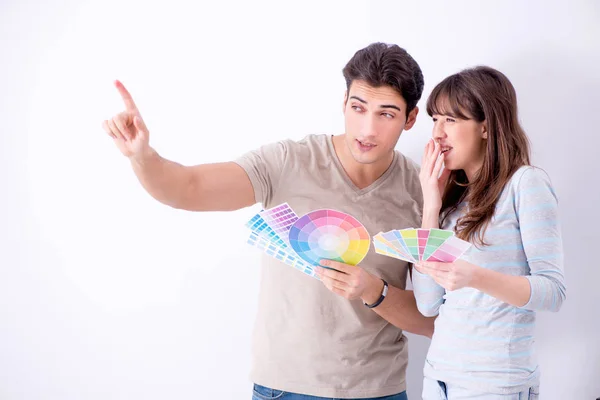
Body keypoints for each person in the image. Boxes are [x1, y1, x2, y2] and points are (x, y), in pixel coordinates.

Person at [102, 42, 435, 400]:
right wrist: (143, 157)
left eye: (386, 114)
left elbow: (430, 320)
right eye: (358, 108)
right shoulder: (288, 162)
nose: (367, 129)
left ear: (410, 119)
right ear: (344, 103)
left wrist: (374, 290)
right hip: (286, 388)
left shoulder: (421, 193)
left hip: (379, 391)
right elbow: (188, 188)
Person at [412, 66, 566, 399]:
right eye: (435, 119)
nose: (438, 133)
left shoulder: (526, 184)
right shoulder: (451, 202)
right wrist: (431, 206)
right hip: (438, 379)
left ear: (486, 126)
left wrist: (475, 277)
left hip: (495, 384)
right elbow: (426, 304)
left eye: (451, 120)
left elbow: (553, 291)